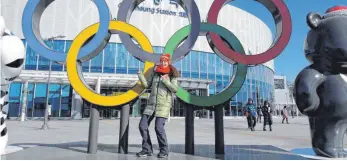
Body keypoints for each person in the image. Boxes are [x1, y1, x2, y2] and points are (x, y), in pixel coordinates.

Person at [136, 54, 179, 158]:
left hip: (163, 105)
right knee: (142, 126)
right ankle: (147, 149)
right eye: (162, 61)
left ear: (168, 62)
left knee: (158, 128)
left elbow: (175, 89)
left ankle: (164, 151)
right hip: (151, 105)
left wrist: (165, 81)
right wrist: (140, 75)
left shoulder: (172, 74)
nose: (163, 63)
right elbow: (146, 85)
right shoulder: (155, 73)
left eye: (165, 61)